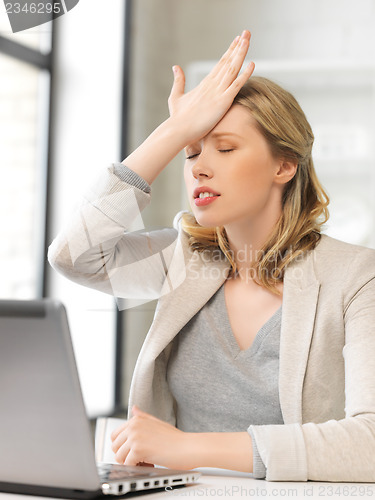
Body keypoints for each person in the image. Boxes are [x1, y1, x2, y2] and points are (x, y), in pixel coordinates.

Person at [48, 30, 375, 482]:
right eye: (191, 152)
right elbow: (73, 256)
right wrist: (171, 132)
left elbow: (370, 443)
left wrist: (186, 448)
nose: (200, 165)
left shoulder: (357, 276)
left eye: (225, 148)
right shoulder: (183, 258)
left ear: (284, 165)